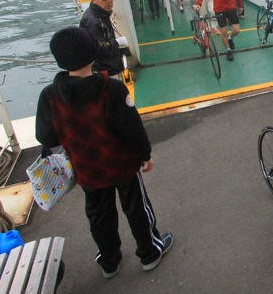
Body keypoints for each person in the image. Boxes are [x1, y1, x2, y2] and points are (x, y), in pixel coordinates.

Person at [36, 27, 173, 278]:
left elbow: (45, 137)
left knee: (99, 215)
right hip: (122, 165)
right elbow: (132, 129)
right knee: (136, 207)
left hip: (86, 169)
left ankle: (109, 261)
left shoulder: (50, 96)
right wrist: (145, 154)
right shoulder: (111, 89)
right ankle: (149, 252)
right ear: (92, 54)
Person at [79, 0, 127, 77]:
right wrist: (117, 42)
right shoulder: (92, 21)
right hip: (103, 71)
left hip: (109, 66)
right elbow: (97, 47)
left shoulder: (102, 14)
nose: (109, 1)